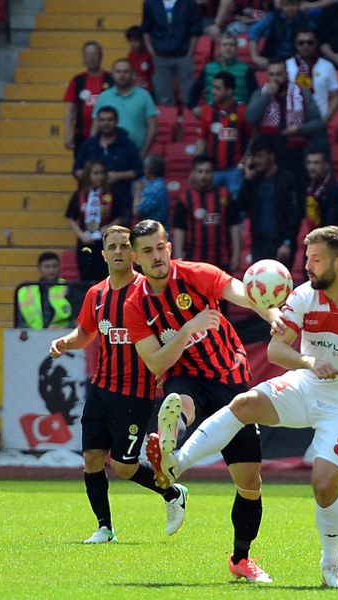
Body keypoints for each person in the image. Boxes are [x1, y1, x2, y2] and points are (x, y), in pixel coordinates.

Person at [145, 224, 338, 589]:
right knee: (244, 403)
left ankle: (331, 567)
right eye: (306, 258)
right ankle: (176, 465)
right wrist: (309, 363)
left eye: (315, 259)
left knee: (322, 485)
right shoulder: (302, 297)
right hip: (305, 387)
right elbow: (276, 350)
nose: (307, 266)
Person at [124, 219, 283, 583]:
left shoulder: (196, 274)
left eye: (160, 247)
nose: (156, 255)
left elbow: (243, 293)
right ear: (136, 259)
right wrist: (186, 330)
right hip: (185, 376)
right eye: (147, 251)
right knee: (180, 400)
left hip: (230, 379)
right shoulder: (136, 305)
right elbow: (156, 362)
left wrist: (272, 313)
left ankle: (241, 559)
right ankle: (170, 441)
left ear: (169, 246)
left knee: (250, 482)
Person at [48, 225, 188, 544]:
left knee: (123, 467)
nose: (118, 252)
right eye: (112, 247)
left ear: (134, 253)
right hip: (100, 389)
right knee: (92, 458)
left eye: (124, 246)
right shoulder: (96, 294)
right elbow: (85, 333)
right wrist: (65, 343)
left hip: (135, 392)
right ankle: (104, 528)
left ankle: (172, 492)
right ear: (103, 254)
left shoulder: (150, 292)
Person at [246, 58, 325, 215]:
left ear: (287, 75)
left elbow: (318, 122)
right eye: (272, 74)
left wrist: (300, 129)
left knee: (296, 200)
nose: (276, 78)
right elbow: (249, 117)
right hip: (267, 157)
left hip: (295, 156)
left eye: (279, 74)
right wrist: (267, 96)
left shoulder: (302, 93)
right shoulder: (260, 93)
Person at [237, 135, 303, 266]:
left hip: (281, 244)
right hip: (259, 243)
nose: (257, 160)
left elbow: (294, 214)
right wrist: (248, 179)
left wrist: (287, 242)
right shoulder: (254, 180)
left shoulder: (287, 179)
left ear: (271, 156)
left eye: (260, 156)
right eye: (254, 156)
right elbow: (241, 205)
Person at [73, 106, 142, 226]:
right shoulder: (89, 145)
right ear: (98, 122)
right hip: (92, 202)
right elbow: (76, 170)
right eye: (102, 120)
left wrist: (119, 176)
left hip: (120, 201)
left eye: (110, 120)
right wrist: (90, 177)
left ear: (116, 121)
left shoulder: (127, 144)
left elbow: (139, 171)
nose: (106, 123)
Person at [172, 155, 242, 272]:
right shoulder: (185, 199)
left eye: (207, 172)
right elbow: (179, 230)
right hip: (194, 264)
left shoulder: (225, 196)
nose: (203, 176)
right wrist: (178, 257)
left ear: (213, 173)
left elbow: (234, 226)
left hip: (222, 263)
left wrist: (237, 254)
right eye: (200, 171)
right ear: (193, 173)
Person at [195, 71, 253, 200]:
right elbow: (201, 140)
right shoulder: (207, 110)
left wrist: (243, 163)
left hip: (235, 171)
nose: (213, 92)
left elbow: (252, 139)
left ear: (229, 91)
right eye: (213, 87)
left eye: (217, 88)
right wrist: (197, 167)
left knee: (236, 206)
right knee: (211, 204)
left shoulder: (242, 110)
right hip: (212, 171)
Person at [66, 160, 126, 282]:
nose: (99, 176)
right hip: (85, 242)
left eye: (102, 173)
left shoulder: (112, 194)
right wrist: (81, 235)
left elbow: (120, 216)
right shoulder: (80, 194)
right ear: (88, 175)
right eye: (95, 173)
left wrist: (109, 227)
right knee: (86, 277)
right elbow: (71, 217)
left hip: (105, 243)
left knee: (104, 277)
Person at [92, 59, 158, 158]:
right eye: (118, 71)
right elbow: (95, 127)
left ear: (132, 74)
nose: (122, 75)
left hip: (136, 155)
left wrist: (143, 152)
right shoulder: (104, 96)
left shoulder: (144, 96)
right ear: (112, 74)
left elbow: (153, 128)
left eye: (126, 71)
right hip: (107, 156)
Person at [142, 0, 203, 106]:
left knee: (188, 95)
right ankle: (167, 120)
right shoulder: (151, 3)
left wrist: (190, 52)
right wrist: (150, 48)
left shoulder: (188, 3)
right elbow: (146, 27)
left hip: (183, 55)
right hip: (160, 55)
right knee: (164, 97)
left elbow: (195, 28)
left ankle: (188, 120)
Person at [187, 32, 259, 114]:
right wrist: (193, 107)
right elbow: (195, 90)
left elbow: (255, 94)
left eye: (231, 45)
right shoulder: (208, 68)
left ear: (236, 49)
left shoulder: (246, 69)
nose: (228, 48)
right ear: (219, 49)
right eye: (224, 45)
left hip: (238, 115)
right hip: (212, 113)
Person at [63, 41, 114, 156]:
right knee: (82, 171)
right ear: (84, 58)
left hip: (108, 137)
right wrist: (67, 134)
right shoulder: (77, 80)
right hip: (82, 137)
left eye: (94, 54)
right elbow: (70, 111)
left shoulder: (111, 79)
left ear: (101, 56)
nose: (91, 58)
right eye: (88, 55)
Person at [286, 27, 338, 131]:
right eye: (301, 43)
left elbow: (336, 96)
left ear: (316, 44)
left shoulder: (327, 66)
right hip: (292, 123)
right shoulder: (286, 66)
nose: (305, 46)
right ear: (295, 45)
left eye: (310, 42)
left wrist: (327, 118)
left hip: (318, 123)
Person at [16, 252, 72, 329]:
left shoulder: (68, 287)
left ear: (60, 267)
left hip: (62, 335)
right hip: (34, 336)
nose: (51, 270)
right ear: (39, 269)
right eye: (47, 266)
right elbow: (20, 322)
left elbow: (74, 319)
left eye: (54, 266)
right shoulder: (25, 292)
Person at [249, 0, 309, 69]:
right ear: (281, 5)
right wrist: (255, 57)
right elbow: (254, 32)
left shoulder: (303, 18)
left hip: (295, 59)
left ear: (299, 5)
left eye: (293, 4)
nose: (290, 8)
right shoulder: (273, 16)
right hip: (272, 58)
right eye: (286, 5)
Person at [304, 148, 338, 230]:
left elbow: (332, 223)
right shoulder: (306, 186)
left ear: (326, 165)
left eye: (316, 163)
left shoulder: (335, 189)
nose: (311, 167)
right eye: (309, 163)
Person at [132, 154, 169, 230]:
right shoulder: (146, 180)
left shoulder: (158, 187)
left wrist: (138, 191)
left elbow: (137, 211)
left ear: (149, 169)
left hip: (154, 230)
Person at [125, 25, 155, 94]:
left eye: (136, 40)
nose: (133, 44)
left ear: (142, 41)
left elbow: (153, 75)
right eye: (130, 41)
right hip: (134, 92)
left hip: (148, 92)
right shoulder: (129, 56)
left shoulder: (148, 55)